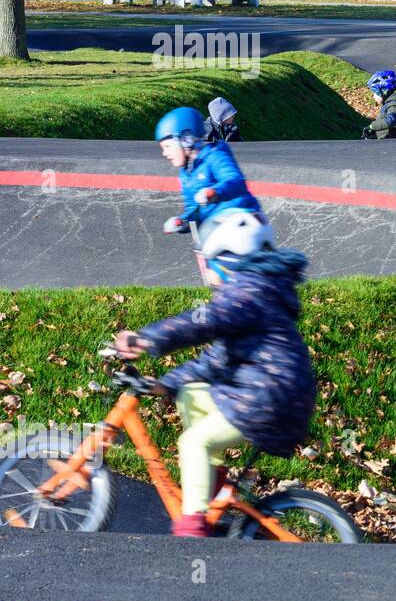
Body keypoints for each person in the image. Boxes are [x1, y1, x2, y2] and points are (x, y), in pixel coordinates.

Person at [111, 208, 316, 538]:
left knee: (193, 441)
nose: (204, 267)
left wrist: (147, 339)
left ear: (227, 258)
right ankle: (214, 482)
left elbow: (203, 322)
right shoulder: (258, 293)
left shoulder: (246, 291)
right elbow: (213, 362)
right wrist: (166, 385)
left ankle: (192, 530)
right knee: (191, 395)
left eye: (207, 259)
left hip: (268, 396)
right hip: (274, 394)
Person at [155, 107, 261, 236]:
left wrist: (215, 192)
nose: (164, 153)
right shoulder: (186, 174)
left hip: (244, 222)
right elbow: (193, 209)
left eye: (167, 146)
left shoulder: (214, 156)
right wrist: (183, 222)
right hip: (218, 232)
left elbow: (236, 181)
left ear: (186, 140)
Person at [362, 70, 396, 139]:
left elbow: (390, 120)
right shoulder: (389, 103)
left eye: (374, 92)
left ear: (383, 91)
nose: (373, 96)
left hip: (395, 145)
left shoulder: (394, 104)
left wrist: (372, 126)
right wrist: (375, 131)